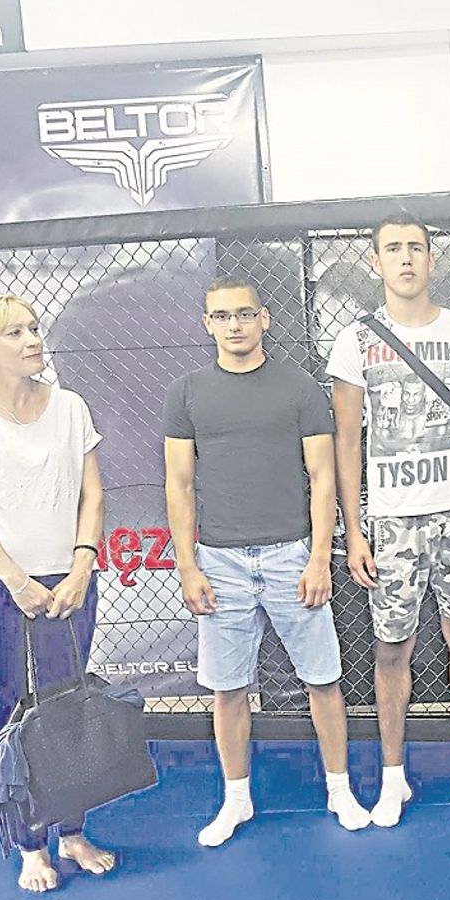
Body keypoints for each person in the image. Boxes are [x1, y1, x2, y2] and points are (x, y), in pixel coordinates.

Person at [164, 277, 368, 848]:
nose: (234, 325)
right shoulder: (186, 393)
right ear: (207, 324)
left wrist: (319, 557)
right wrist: (188, 566)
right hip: (219, 562)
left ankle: (339, 790)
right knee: (228, 689)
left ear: (265, 319)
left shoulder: (299, 387)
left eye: (244, 314)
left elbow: (323, 476)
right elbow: (179, 484)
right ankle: (236, 799)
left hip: (291, 556)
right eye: (222, 316)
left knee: (323, 679)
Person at [0, 294, 117, 893]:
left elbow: (92, 494)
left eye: (34, 328)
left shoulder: (70, 407)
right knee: (3, 707)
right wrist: (14, 578)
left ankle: (72, 831)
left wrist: (82, 565)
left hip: (67, 581)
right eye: (14, 332)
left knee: (67, 706)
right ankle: (29, 843)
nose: (32, 340)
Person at [329, 214, 450, 827]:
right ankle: (393, 776)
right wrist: (355, 528)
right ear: (375, 262)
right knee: (390, 648)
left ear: (433, 260)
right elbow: (347, 442)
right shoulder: (355, 340)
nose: (405, 259)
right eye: (393, 249)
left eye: (415, 248)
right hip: (392, 519)